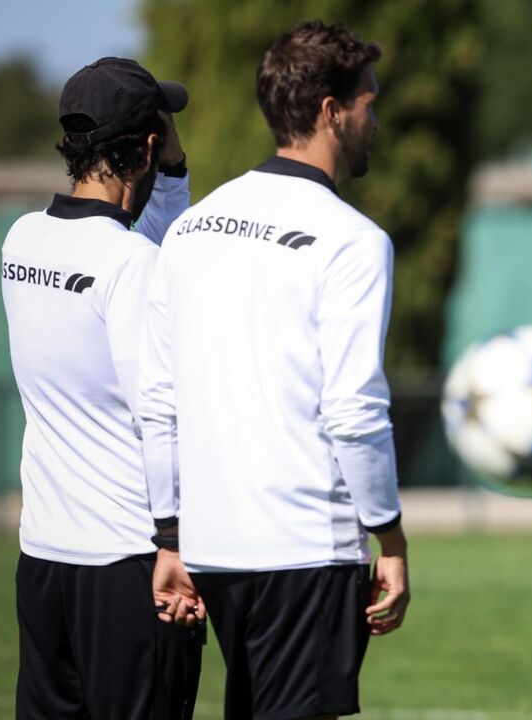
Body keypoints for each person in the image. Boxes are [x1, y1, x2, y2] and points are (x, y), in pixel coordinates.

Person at [138, 20, 409, 720]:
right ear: (330, 111)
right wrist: (392, 537)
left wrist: (170, 536)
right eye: (367, 106)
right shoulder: (353, 241)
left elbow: (158, 400)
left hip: (212, 548)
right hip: (304, 551)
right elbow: (353, 411)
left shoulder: (192, 227)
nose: (372, 123)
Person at [1, 57, 203, 719]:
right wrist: (174, 543)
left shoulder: (20, 240)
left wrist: (165, 176)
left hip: (43, 558)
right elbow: (159, 412)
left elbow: (122, 243)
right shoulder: (130, 263)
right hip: (127, 562)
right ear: (147, 146)